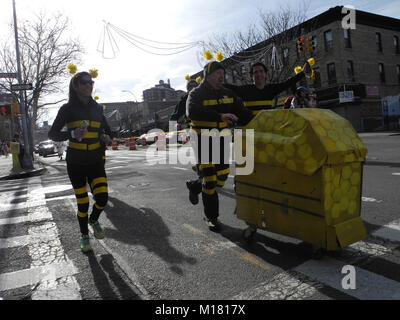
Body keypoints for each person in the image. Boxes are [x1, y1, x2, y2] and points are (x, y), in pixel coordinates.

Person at [48, 71, 112, 253]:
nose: (88, 85)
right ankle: (84, 235)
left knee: (102, 198)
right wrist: (72, 134)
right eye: (83, 83)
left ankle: (93, 220)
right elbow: (52, 133)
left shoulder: (98, 108)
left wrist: (107, 137)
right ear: (75, 86)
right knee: (82, 202)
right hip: (75, 163)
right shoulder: (66, 109)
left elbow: (108, 131)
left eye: (90, 82)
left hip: (95, 161)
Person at [186, 61, 254, 231]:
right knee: (209, 181)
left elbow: (243, 114)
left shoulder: (228, 94)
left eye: (223, 72)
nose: (222, 75)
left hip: (221, 139)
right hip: (202, 139)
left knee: (222, 177)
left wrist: (262, 121)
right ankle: (211, 217)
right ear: (208, 75)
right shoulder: (196, 93)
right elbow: (192, 112)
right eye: (218, 73)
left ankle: (194, 186)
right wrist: (219, 116)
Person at [224, 61, 312, 114]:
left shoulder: (271, 89)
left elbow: (287, 83)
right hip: (249, 130)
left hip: (266, 130)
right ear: (252, 77)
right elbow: (229, 88)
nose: (259, 74)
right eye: (255, 72)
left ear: (265, 75)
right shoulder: (245, 90)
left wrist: (302, 73)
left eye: (261, 71)